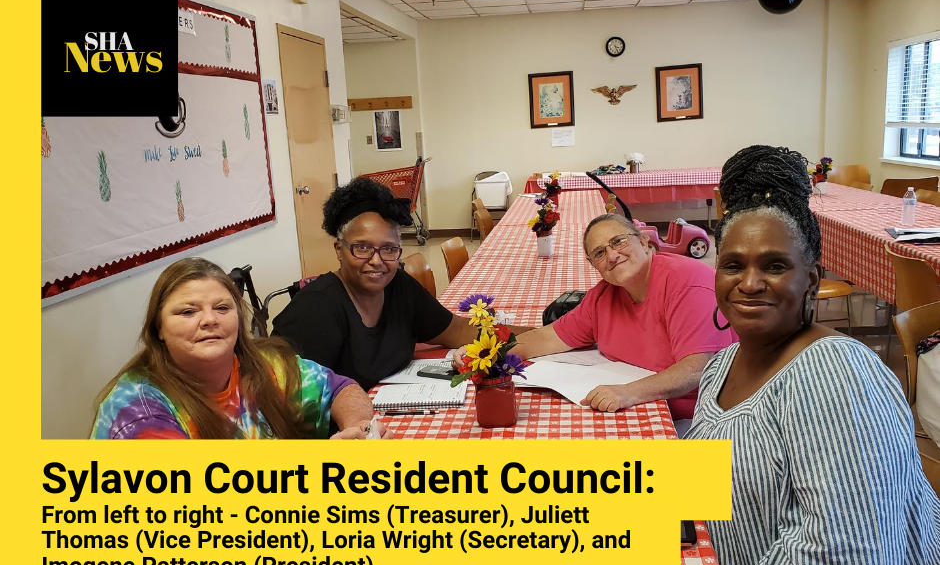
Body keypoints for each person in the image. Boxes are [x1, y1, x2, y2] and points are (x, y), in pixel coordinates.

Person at [685, 145, 940, 565]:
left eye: (774, 266)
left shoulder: (834, 373)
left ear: (812, 277)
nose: (749, 283)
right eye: (733, 265)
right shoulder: (723, 366)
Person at [92, 257, 381, 440]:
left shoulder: (266, 365)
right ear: (159, 328)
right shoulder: (137, 411)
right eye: (187, 312)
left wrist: (359, 430)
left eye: (222, 308)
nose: (209, 320)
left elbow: (340, 388)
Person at [273, 178, 502, 390]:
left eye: (389, 249)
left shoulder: (398, 286)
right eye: (362, 247)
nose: (376, 261)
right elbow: (287, 400)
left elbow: (457, 329)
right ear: (339, 251)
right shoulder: (315, 310)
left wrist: (531, 338)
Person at [506, 212, 733, 425]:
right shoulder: (603, 297)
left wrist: (627, 392)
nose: (612, 256)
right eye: (599, 253)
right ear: (593, 265)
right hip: (639, 410)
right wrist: (490, 356)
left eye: (618, 242)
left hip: (703, 418)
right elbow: (549, 337)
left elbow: (698, 368)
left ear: (644, 242)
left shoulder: (686, 284)